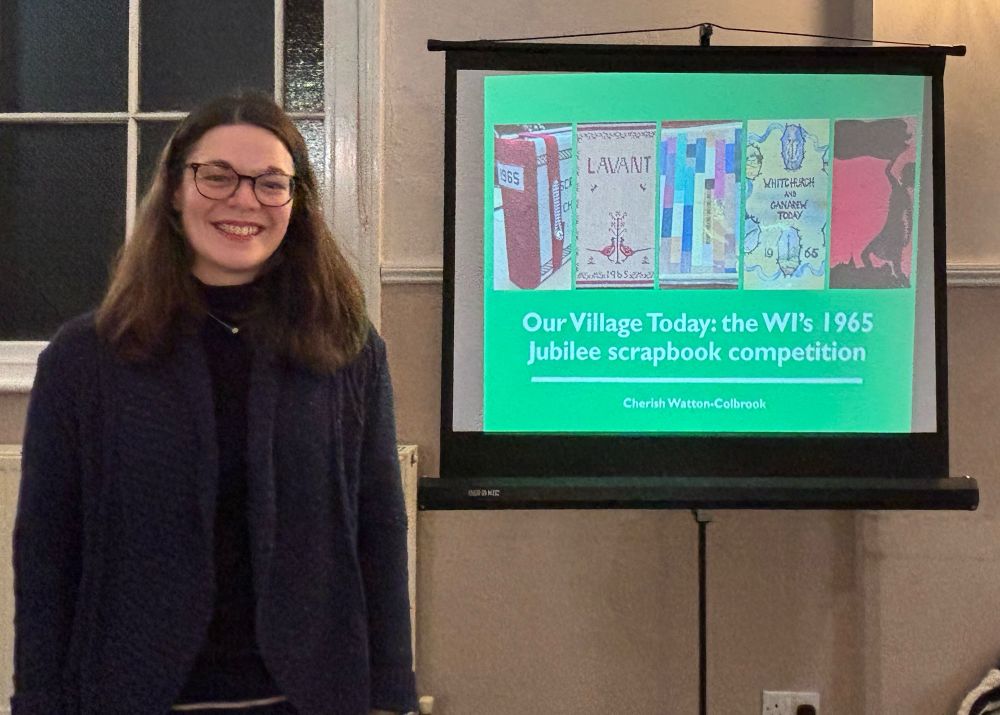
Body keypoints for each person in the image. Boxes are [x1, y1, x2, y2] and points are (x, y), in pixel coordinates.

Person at [11, 92, 417, 715]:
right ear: (175, 190)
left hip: (309, 696)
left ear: (296, 202)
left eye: (270, 183)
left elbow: (380, 533)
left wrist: (391, 693)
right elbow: (45, 552)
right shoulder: (83, 359)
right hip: (132, 695)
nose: (243, 200)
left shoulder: (348, 351)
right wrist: (38, 701)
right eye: (217, 175)